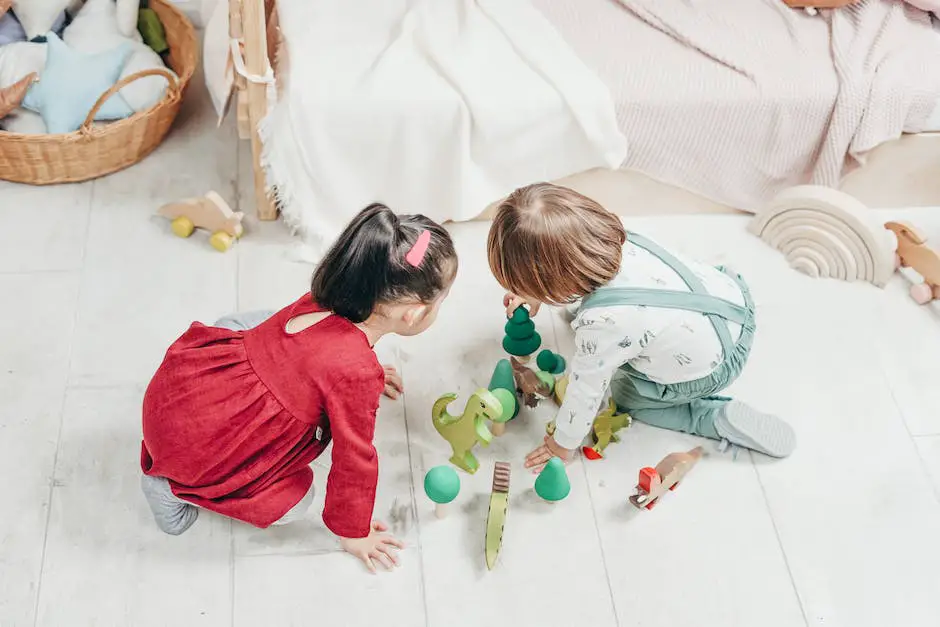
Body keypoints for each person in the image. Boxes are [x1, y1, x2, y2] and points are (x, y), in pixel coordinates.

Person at [140, 204, 457, 573]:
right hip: (202, 452)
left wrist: (361, 372)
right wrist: (352, 532)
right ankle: (171, 488)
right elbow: (354, 460)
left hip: (182, 392)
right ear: (414, 314)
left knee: (245, 323)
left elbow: (320, 359)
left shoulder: (326, 298)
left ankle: (177, 465)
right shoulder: (355, 373)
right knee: (297, 499)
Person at [486, 183, 795, 471]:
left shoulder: (603, 323)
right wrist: (537, 289)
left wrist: (562, 445)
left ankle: (710, 417)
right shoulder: (620, 239)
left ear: (548, 282)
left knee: (626, 397)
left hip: (713, 367)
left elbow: (586, 391)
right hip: (732, 307)